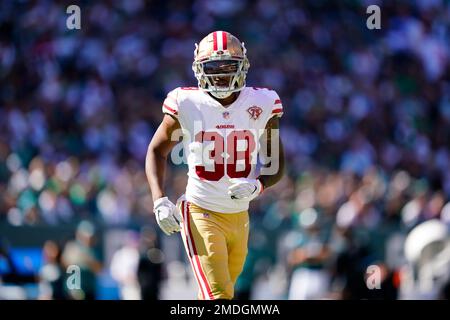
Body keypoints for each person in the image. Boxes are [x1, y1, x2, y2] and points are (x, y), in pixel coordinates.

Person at [145, 31, 285, 300]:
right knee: (219, 296)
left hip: (239, 216)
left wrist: (258, 186)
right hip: (201, 210)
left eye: (228, 67)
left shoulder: (262, 102)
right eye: (213, 68)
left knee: (219, 294)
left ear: (242, 66)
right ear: (199, 69)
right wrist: (159, 200)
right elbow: (156, 151)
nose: (220, 75)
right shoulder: (186, 102)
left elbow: (276, 164)